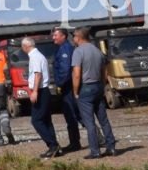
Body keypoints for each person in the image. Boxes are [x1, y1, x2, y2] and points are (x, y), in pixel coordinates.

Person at [71, 27, 118, 159]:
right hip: (98, 86)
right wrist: (102, 85)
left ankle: (95, 151)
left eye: (74, 36)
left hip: (85, 88)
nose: (73, 39)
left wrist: (75, 92)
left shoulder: (78, 51)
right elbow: (105, 71)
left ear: (78, 37)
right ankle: (111, 147)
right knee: (103, 120)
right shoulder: (97, 50)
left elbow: (76, 74)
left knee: (89, 122)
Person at [21, 37, 59, 155]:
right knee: (46, 120)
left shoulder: (34, 57)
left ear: (26, 46)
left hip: (40, 91)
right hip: (44, 90)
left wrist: (35, 91)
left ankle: (53, 145)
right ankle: (54, 147)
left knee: (37, 120)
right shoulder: (39, 55)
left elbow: (38, 74)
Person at [48, 28, 82, 153]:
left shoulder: (64, 49)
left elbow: (65, 69)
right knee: (76, 114)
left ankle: (75, 143)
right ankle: (78, 141)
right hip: (67, 86)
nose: (53, 38)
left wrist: (60, 85)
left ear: (63, 36)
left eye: (55, 35)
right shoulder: (62, 48)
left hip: (67, 87)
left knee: (72, 115)